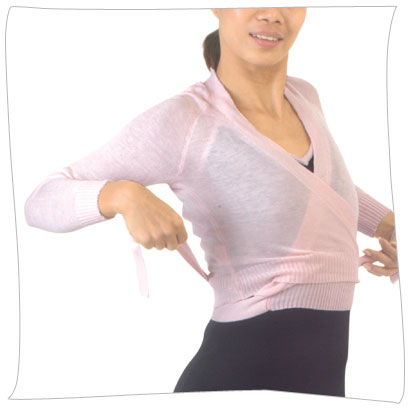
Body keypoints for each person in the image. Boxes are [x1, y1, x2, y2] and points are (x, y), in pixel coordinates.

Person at [25, 8, 399, 397]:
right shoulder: (187, 119)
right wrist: (122, 195)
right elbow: (40, 200)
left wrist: (391, 227)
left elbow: (313, 185)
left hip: (321, 385)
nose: (273, 13)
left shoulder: (305, 96)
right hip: (233, 380)